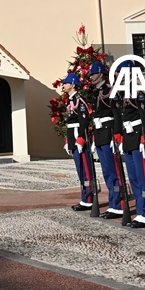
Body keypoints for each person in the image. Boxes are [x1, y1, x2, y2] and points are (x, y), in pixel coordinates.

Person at [88, 61, 124, 219]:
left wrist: (116, 134)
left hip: (109, 134)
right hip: (100, 134)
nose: (91, 76)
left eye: (94, 73)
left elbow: (116, 114)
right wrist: (95, 139)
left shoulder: (110, 90)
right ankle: (113, 203)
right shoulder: (96, 92)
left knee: (114, 171)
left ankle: (118, 204)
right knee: (106, 172)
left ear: (101, 74)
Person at [121, 76, 145, 228]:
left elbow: (144, 115)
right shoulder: (121, 93)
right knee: (133, 177)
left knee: (142, 177)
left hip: (138, 135)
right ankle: (141, 210)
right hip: (128, 137)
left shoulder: (139, 92)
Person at [62, 74, 96, 211]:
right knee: (80, 170)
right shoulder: (69, 100)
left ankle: (88, 198)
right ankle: (84, 197)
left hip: (78, 137)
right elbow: (69, 124)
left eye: (66, 83)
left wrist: (81, 139)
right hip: (73, 138)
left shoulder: (79, 101)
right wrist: (67, 141)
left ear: (73, 84)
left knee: (86, 169)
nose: (63, 85)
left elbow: (83, 122)